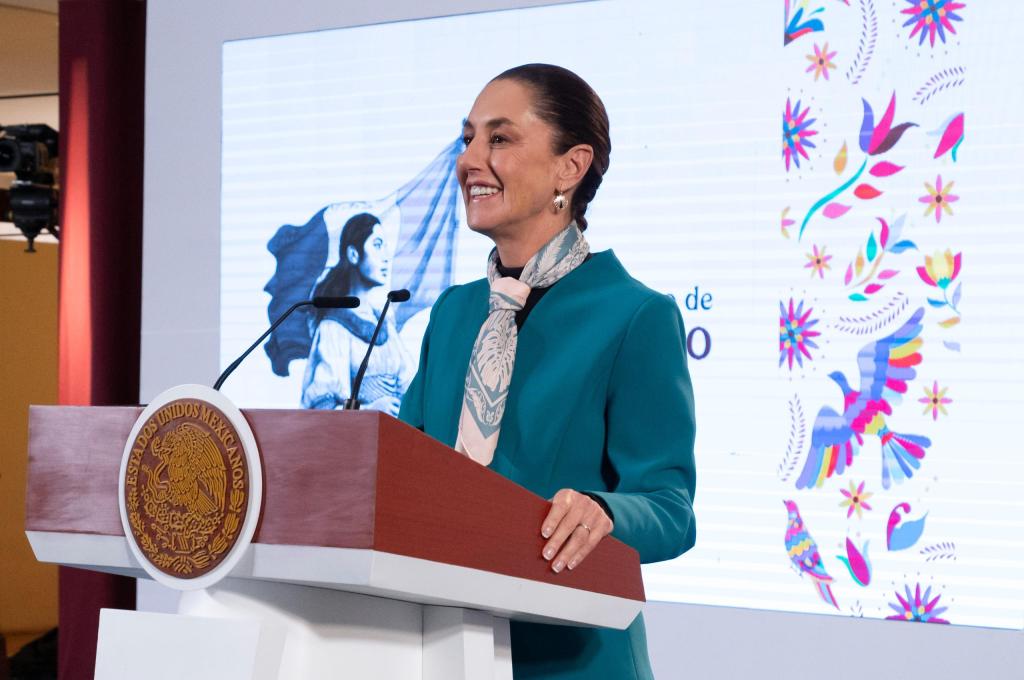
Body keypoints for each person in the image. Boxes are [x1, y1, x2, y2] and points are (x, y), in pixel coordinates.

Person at [399, 64, 696, 679]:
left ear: (571, 167)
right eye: (467, 139)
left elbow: (671, 509)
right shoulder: (452, 313)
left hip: (572, 661)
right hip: (441, 653)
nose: (469, 160)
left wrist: (604, 512)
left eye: (499, 139)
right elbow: (407, 477)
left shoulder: (634, 315)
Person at [301, 211, 413, 415]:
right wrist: (369, 410)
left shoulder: (383, 322)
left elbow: (409, 382)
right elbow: (321, 406)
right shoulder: (333, 328)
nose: (386, 257)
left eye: (385, 247)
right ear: (353, 254)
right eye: (377, 245)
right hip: (359, 433)